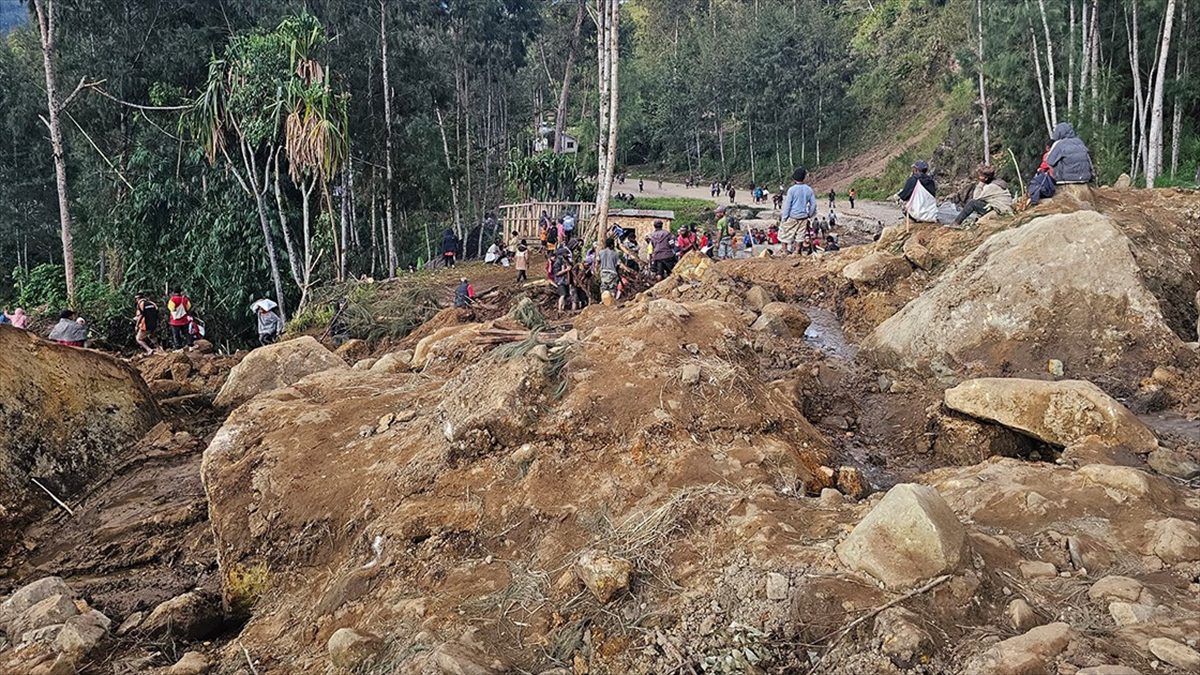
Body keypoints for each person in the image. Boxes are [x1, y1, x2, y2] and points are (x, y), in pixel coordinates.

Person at [780, 167, 817, 255]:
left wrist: (784, 218)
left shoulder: (791, 190)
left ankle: (784, 251)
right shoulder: (809, 189)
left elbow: (787, 205)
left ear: (794, 178)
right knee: (800, 235)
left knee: (784, 232)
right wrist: (809, 215)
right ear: (804, 178)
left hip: (792, 216)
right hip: (803, 216)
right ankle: (796, 251)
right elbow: (813, 205)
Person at [552, 240, 574, 311]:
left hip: (565, 281)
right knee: (562, 295)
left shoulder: (566, 260)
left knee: (566, 295)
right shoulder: (558, 262)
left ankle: (563, 308)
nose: (567, 255)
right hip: (560, 281)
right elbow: (556, 273)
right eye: (565, 253)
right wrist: (566, 270)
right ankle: (559, 309)